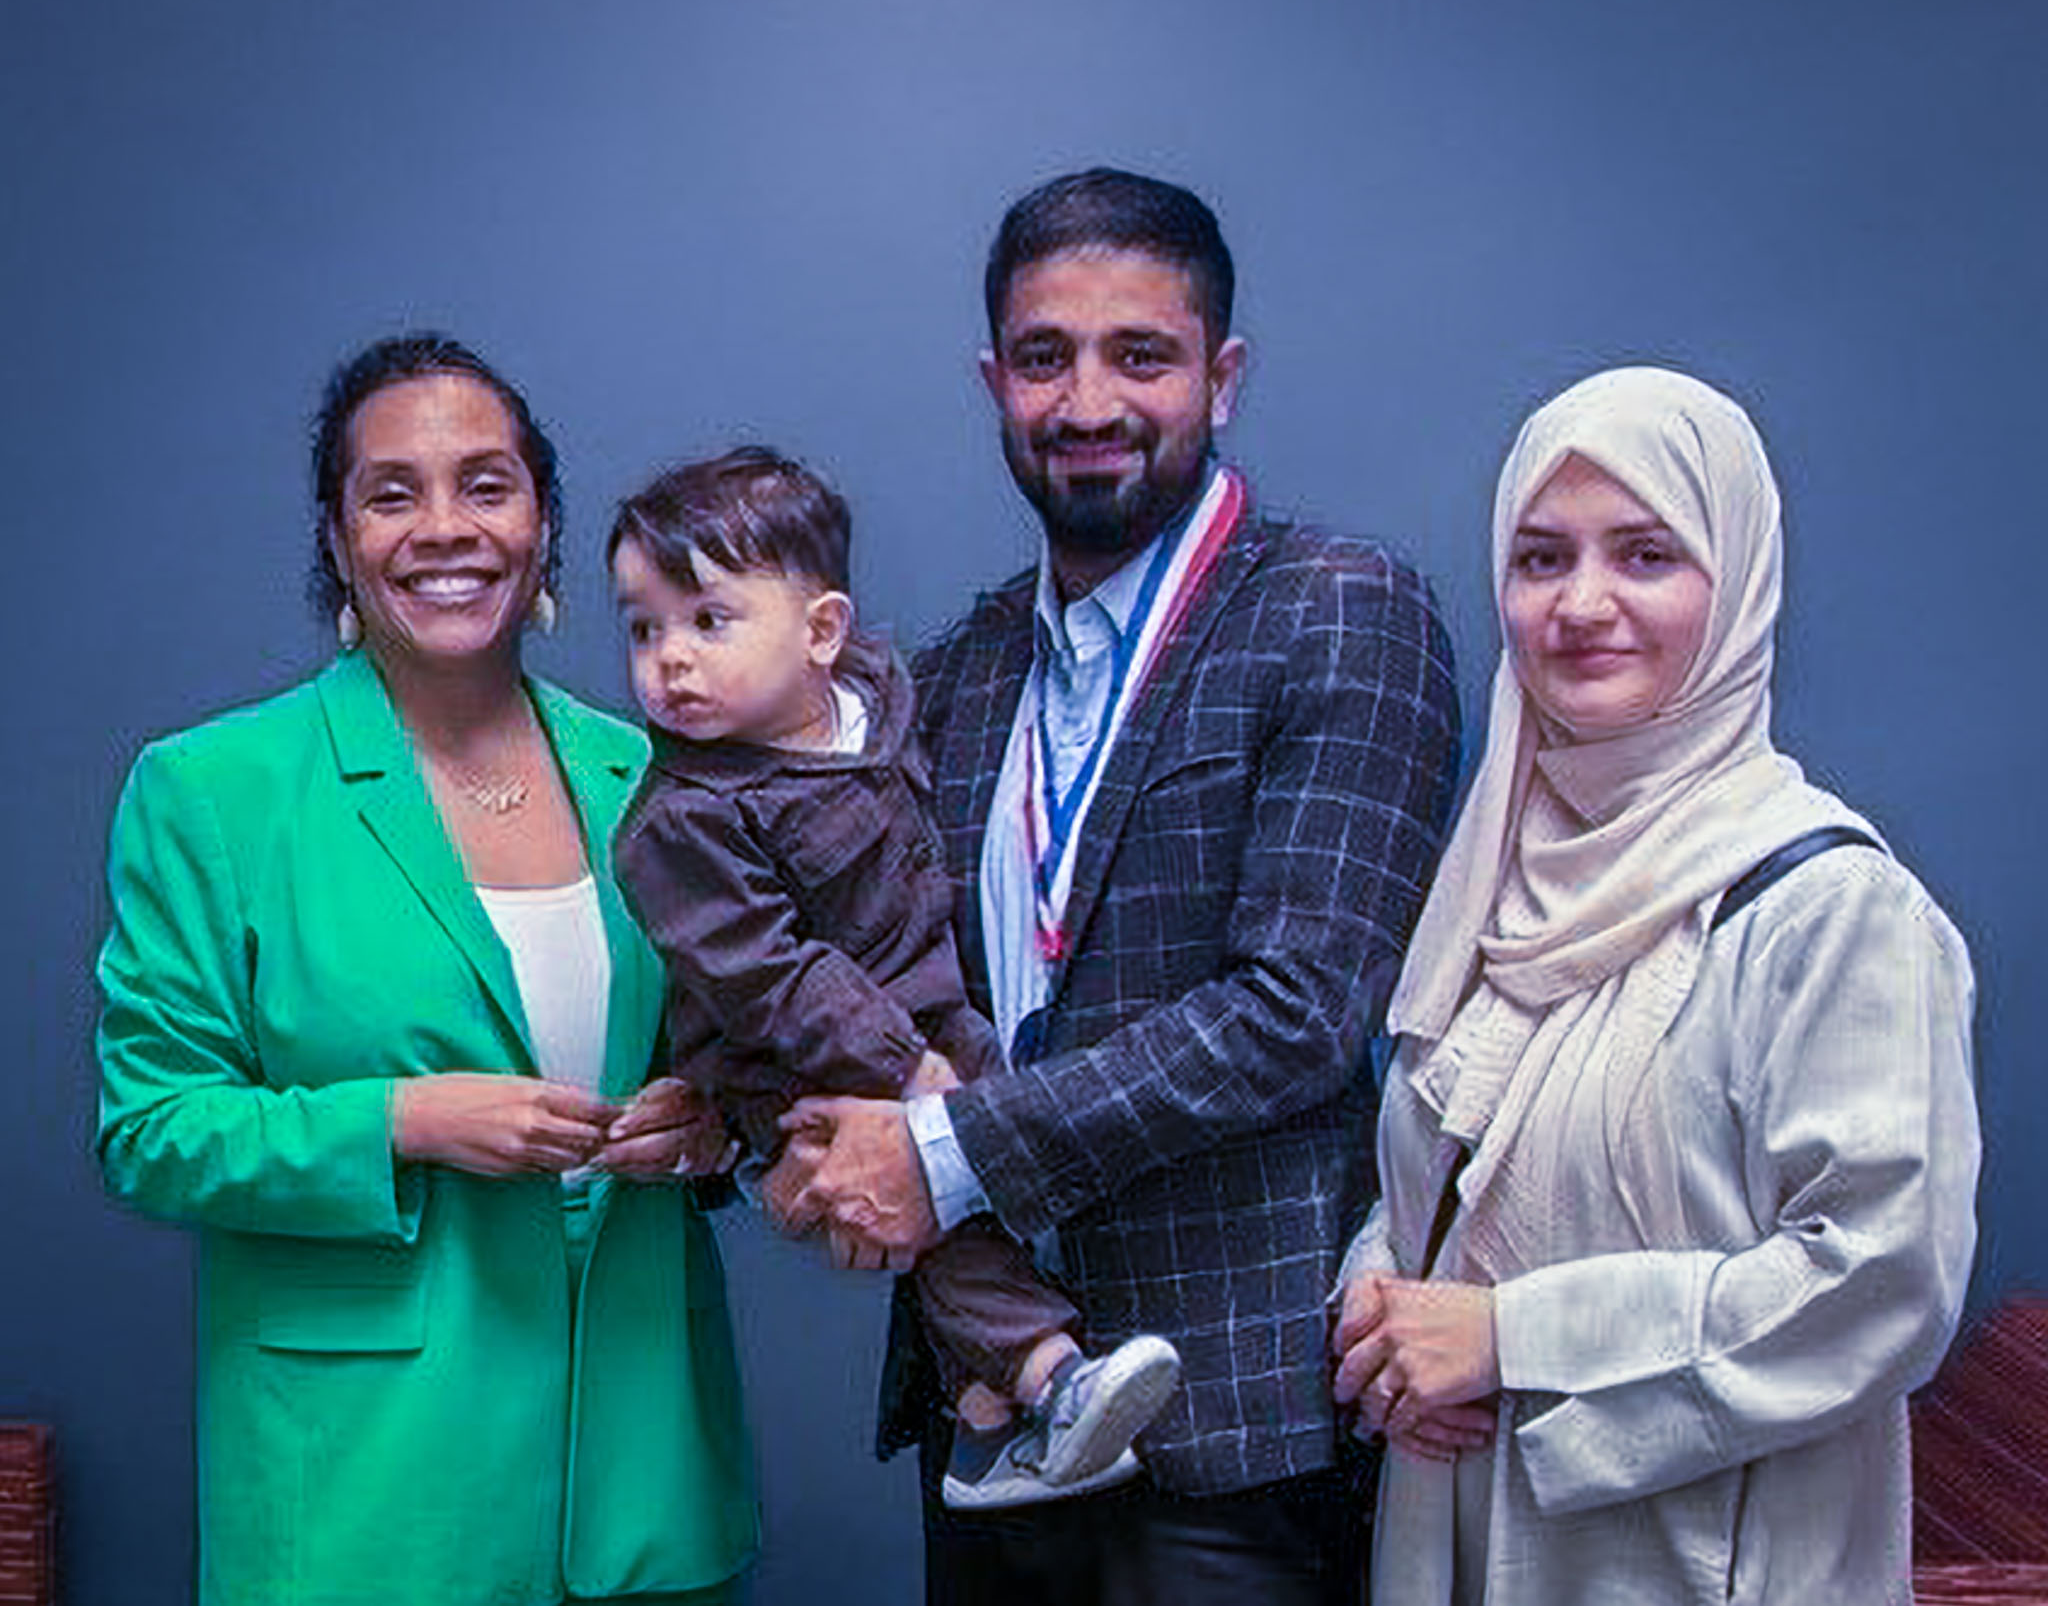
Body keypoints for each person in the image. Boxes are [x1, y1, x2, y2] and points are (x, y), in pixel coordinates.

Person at [774, 168, 1462, 1603]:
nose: (1088, 400)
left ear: (1222, 377)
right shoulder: (954, 674)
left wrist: (937, 1154)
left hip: (1234, 1428)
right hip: (990, 1415)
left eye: (1138, 353)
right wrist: (772, 1126)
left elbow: (1300, 1009)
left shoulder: (1340, 607)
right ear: (994, 381)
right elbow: (856, 974)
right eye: (1045, 356)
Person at [95, 333, 756, 1606]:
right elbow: (152, 1128)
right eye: (392, 492)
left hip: (638, 1476)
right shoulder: (212, 792)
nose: (443, 527)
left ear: (544, 524)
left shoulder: (660, 774)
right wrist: (406, 1118)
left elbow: (738, 1055)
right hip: (370, 1493)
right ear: (338, 541)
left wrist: (711, 1124)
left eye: (487, 485)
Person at [1331, 365, 1980, 1605]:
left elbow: (1880, 1279)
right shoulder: (1494, 892)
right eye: (1538, 558)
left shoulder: (1828, 911)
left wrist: (1509, 1336)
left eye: (1642, 555)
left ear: (1732, 584)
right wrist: (1381, 1291)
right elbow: (1467, 1178)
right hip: (1458, 1541)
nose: (1580, 604)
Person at [607, 444, 1183, 1509]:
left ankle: (976, 1429)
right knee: (930, 1184)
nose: (667, 661)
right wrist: (899, 1063)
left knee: (978, 1163)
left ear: (821, 632)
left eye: (706, 620)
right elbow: (769, 974)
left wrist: (930, 1046)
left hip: (924, 1000)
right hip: (788, 1055)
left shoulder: (878, 693)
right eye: (642, 628)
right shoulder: (677, 822)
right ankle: (1050, 1381)